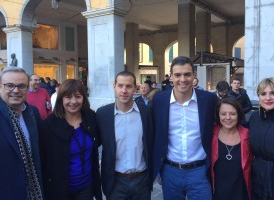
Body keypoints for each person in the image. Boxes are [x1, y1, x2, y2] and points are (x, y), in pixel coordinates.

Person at [152, 56, 217, 200]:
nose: (182, 79)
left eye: (187, 74)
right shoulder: (159, 100)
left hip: (200, 171)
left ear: (194, 75)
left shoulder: (208, 100)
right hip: (170, 171)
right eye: (177, 75)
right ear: (171, 77)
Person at [39, 79, 102, 200]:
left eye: (78, 96)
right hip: (59, 189)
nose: (73, 101)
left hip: (86, 188)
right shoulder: (48, 125)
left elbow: (96, 143)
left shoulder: (91, 117)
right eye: (68, 97)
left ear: (83, 98)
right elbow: (43, 160)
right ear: (61, 99)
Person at [96, 71, 153, 200]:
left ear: (135, 88)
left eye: (128, 86)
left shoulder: (146, 112)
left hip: (142, 181)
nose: (124, 90)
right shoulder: (103, 114)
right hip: (115, 181)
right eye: (120, 86)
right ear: (114, 87)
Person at [0, 66, 43, 199]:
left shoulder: (33, 113)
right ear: (1, 86)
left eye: (21, 86)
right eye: (10, 85)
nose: (16, 90)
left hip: (34, 190)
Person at [211, 98, 252, 200]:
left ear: (239, 115)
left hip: (241, 193)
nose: (228, 118)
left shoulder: (248, 135)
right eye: (223, 114)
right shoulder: (211, 134)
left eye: (232, 114)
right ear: (218, 115)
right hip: (217, 193)